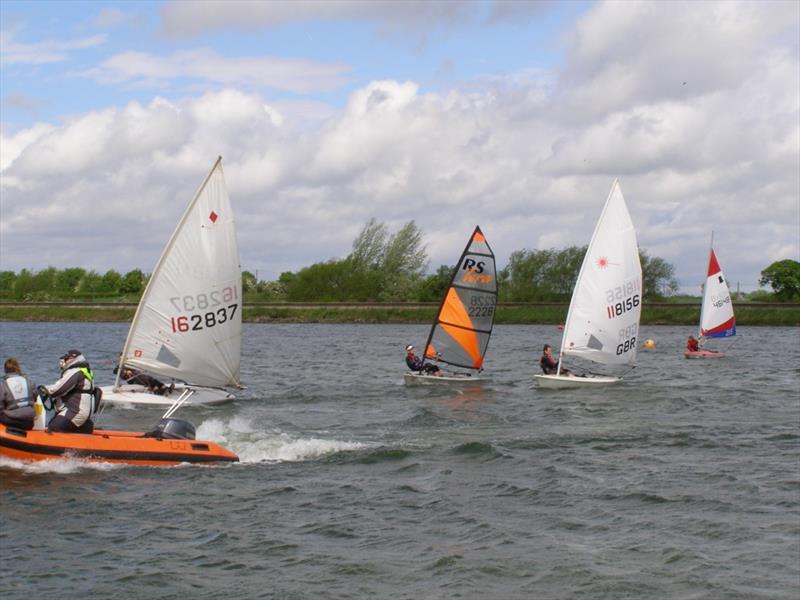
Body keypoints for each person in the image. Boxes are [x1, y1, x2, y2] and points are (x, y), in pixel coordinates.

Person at [42, 349, 99, 434]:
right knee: (53, 422)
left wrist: (44, 391)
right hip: (82, 412)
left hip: (75, 412)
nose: (63, 361)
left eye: (66, 359)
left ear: (72, 359)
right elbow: (62, 385)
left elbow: (58, 389)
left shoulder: (76, 371)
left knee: (54, 427)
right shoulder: (85, 370)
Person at [0, 358, 37, 430]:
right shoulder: (29, 381)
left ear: (5, 370)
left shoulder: (3, 384)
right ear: (18, 368)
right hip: (29, 422)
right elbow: (35, 398)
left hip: (12, 420)